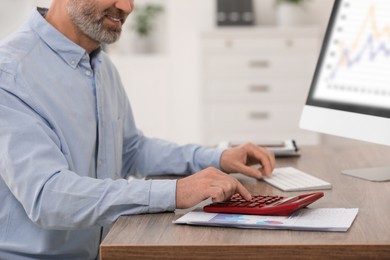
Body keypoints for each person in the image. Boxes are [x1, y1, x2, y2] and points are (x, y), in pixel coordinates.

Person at [0, 0, 275, 259]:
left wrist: (217, 158)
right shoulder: (10, 72)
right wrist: (174, 192)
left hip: (104, 251)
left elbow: (131, 150)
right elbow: (48, 196)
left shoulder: (100, 65)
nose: (126, 7)